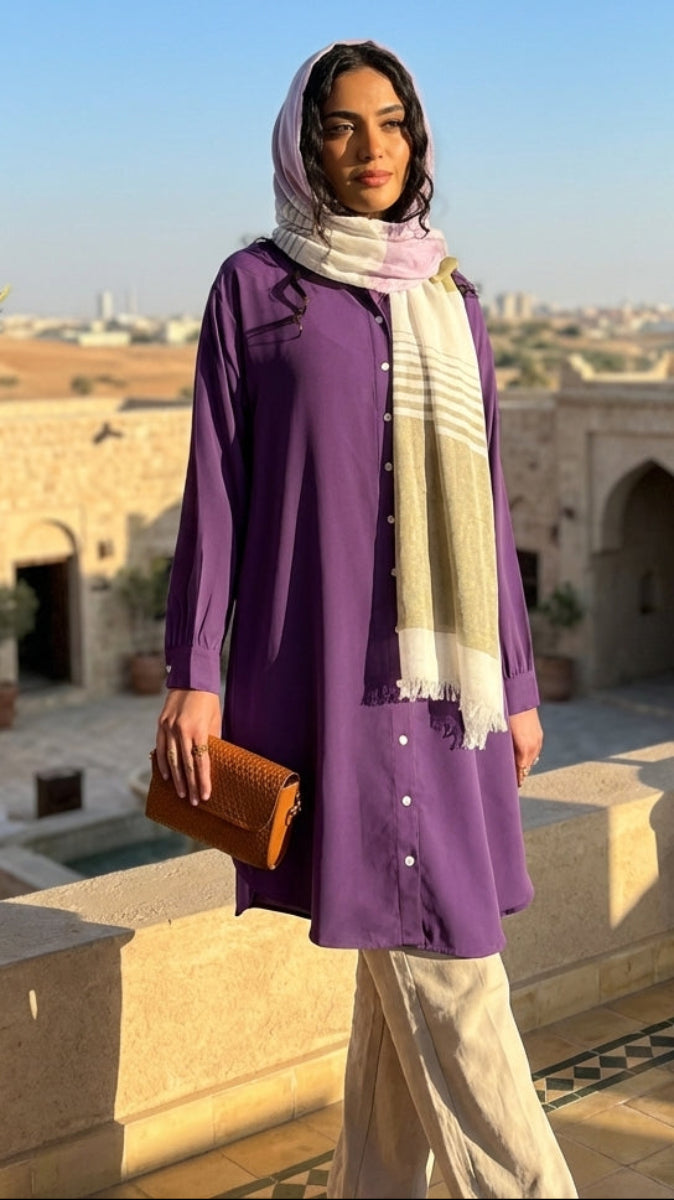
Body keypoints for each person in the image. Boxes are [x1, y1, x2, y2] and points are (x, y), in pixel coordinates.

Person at [155, 38, 578, 1200]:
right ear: (306, 145)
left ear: (417, 137)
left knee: (416, 976)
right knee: (452, 976)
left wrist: (517, 686)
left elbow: (485, 504)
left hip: (449, 698)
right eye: (340, 124)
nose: (370, 146)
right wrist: (194, 669)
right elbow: (217, 491)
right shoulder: (255, 290)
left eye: (390, 121)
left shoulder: (452, 298)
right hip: (322, 678)